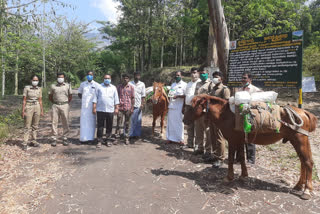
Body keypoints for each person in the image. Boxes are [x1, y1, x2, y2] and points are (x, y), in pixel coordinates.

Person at [238, 72, 262, 164]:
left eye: (245, 78)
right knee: (240, 137)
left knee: (250, 137)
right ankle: (240, 158)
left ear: (250, 80)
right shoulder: (240, 90)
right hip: (240, 116)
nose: (243, 80)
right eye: (242, 78)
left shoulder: (255, 90)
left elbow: (260, 101)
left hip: (250, 117)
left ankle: (251, 160)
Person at [209, 71, 231, 168]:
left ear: (221, 78)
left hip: (220, 118)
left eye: (217, 77)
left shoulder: (224, 89)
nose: (214, 78)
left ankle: (221, 158)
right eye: (213, 77)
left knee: (219, 137)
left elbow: (226, 103)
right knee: (212, 136)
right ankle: (215, 155)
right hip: (212, 116)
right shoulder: (213, 88)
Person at [93, 74, 119, 148]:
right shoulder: (99, 87)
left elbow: (116, 99)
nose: (107, 79)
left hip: (110, 110)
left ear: (110, 79)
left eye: (108, 78)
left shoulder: (113, 88)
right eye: (105, 78)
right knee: (100, 126)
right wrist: (94, 107)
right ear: (103, 79)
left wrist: (116, 108)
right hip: (100, 109)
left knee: (109, 126)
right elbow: (95, 97)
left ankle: (108, 140)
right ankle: (99, 140)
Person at [194, 67, 215, 160]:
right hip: (197, 110)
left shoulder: (210, 84)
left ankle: (208, 150)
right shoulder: (198, 83)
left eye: (204, 73)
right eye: (201, 73)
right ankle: (200, 148)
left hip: (205, 111)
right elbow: (195, 95)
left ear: (207, 74)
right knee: (198, 130)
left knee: (207, 130)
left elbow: (211, 98)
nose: (202, 75)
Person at [49, 73, 72, 147]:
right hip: (55, 105)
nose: (60, 78)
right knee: (54, 122)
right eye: (59, 77)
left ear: (64, 78)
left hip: (65, 105)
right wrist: (54, 103)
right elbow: (50, 96)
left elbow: (70, 96)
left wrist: (66, 103)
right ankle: (54, 138)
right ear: (57, 78)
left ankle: (65, 138)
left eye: (62, 77)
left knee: (65, 121)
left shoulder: (67, 86)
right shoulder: (53, 86)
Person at [21, 75, 44, 150]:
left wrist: (42, 110)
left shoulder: (39, 89)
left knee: (35, 125)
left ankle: (34, 141)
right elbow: (24, 100)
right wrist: (23, 110)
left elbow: (40, 100)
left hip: (37, 106)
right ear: (31, 80)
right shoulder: (27, 88)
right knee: (27, 125)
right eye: (34, 80)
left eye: (37, 80)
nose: (35, 81)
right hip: (29, 106)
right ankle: (25, 142)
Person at [78, 71, 99, 143]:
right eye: (88, 74)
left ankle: (90, 138)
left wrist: (94, 106)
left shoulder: (96, 85)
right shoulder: (83, 84)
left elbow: (98, 96)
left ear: (93, 76)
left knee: (91, 123)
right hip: (84, 108)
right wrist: (84, 100)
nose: (89, 76)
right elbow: (79, 93)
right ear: (86, 76)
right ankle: (83, 138)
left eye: (91, 75)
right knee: (83, 123)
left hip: (92, 107)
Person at [166, 71, 187, 145]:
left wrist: (178, 96)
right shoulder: (173, 84)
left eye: (178, 75)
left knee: (179, 123)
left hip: (179, 107)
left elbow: (185, 96)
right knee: (170, 122)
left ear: (181, 76)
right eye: (176, 75)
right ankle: (170, 138)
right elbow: (170, 94)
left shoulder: (184, 85)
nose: (177, 76)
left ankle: (180, 139)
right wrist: (169, 97)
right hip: (172, 106)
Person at [115, 73, 135, 144]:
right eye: (124, 78)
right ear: (122, 79)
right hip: (120, 107)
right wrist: (116, 107)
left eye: (127, 78)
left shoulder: (131, 87)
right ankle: (117, 137)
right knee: (118, 123)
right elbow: (116, 97)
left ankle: (126, 138)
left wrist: (132, 108)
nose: (125, 79)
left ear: (129, 79)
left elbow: (132, 98)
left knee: (127, 123)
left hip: (128, 108)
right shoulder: (118, 87)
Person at [184, 67, 200, 148]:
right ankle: (189, 144)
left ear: (198, 73)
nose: (194, 74)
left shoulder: (200, 83)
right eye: (192, 73)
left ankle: (197, 145)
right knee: (189, 126)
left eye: (195, 72)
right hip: (188, 107)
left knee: (197, 127)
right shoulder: (188, 84)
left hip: (197, 108)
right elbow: (186, 95)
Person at [129, 72, 146, 141]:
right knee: (130, 120)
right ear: (134, 76)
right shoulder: (130, 83)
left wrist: (142, 104)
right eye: (136, 75)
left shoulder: (142, 84)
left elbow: (143, 95)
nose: (137, 76)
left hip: (138, 105)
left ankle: (137, 134)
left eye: (138, 75)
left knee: (138, 120)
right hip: (130, 105)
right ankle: (130, 134)